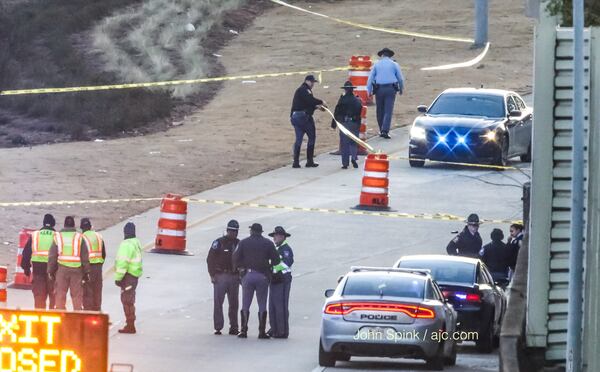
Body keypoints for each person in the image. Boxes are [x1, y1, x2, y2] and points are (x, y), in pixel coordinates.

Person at [233, 223, 280, 339]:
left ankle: (243, 330)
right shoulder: (268, 243)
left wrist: (241, 269)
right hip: (262, 276)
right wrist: (268, 266)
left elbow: (235, 258)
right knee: (262, 304)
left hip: (248, 275)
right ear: (261, 232)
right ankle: (261, 331)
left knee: (246, 303)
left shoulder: (243, 242)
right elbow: (276, 260)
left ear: (251, 231)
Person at [48, 216, 91, 311]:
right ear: (73, 225)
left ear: (64, 225)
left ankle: (60, 316)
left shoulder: (58, 237)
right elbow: (84, 256)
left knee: (60, 294)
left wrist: (50, 271)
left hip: (62, 270)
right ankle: (77, 315)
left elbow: (52, 256)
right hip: (77, 270)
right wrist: (87, 272)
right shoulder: (79, 237)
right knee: (77, 296)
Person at [207, 220, 241, 335]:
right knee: (218, 303)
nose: (233, 233)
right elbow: (210, 259)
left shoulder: (239, 244)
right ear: (227, 230)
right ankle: (218, 327)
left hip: (234, 277)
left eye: (235, 231)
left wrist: (241, 276)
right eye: (231, 231)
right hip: (220, 276)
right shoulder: (218, 242)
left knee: (234, 304)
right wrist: (212, 275)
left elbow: (243, 260)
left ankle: (234, 327)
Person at [367, 47, 405, 139]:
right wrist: (401, 89)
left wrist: (369, 91)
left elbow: (370, 79)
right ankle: (385, 130)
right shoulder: (394, 64)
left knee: (379, 110)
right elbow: (400, 78)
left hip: (379, 89)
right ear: (390, 55)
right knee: (388, 110)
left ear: (382, 55)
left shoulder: (377, 65)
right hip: (391, 89)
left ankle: (381, 129)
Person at [290, 75, 327, 168]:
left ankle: (296, 162)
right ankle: (309, 161)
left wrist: (316, 107)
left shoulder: (301, 90)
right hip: (303, 117)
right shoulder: (304, 90)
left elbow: (306, 103)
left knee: (299, 139)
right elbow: (310, 101)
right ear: (308, 81)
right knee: (311, 137)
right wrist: (321, 102)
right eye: (312, 82)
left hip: (296, 117)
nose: (313, 84)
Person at [21, 214, 57, 309]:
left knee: (39, 297)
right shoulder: (57, 236)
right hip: (53, 270)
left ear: (43, 223)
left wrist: (26, 268)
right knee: (54, 297)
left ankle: (40, 320)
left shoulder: (35, 235)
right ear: (53, 224)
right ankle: (54, 319)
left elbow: (26, 253)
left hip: (38, 270)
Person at [115, 222, 143, 334]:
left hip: (128, 276)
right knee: (129, 299)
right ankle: (130, 323)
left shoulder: (126, 245)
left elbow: (122, 263)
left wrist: (118, 278)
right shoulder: (136, 243)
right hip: (134, 276)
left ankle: (130, 325)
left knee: (127, 300)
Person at [267, 226, 294, 339]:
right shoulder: (276, 249)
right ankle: (274, 328)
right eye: (274, 236)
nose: (274, 238)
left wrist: (273, 269)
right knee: (272, 305)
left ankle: (282, 331)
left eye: (276, 236)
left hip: (282, 280)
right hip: (274, 280)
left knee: (280, 306)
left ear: (282, 237)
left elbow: (286, 263)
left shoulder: (286, 249)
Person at [332, 81, 363, 169]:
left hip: (344, 123)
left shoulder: (342, 100)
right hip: (354, 123)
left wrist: (334, 124)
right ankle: (353, 157)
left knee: (344, 144)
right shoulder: (357, 100)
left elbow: (336, 111)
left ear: (345, 90)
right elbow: (360, 111)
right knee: (353, 142)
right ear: (352, 90)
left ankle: (345, 164)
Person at [81, 218, 106, 311]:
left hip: (87, 267)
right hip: (98, 267)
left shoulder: (82, 237)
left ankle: (88, 312)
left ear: (82, 228)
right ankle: (97, 310)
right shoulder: (99, 236)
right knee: (97, 290)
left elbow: (81, 255)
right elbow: (103, 254)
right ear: (90, 227)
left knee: (87, 291)